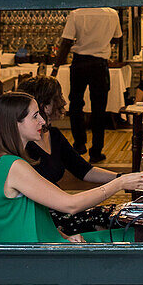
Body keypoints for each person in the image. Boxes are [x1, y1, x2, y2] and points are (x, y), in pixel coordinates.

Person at [0, 93, 143, 244]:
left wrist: (63, 236)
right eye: (35, 116)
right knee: (137, 235)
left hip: (32, 249)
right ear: (14, 124)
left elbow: (24, 218)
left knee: (132, 233)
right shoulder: (13, 166)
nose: (41, 120)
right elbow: (70, 205)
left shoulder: (1, 161)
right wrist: (120, 183)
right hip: (30, 258)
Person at [19, 74, 120, 234]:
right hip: (46, 218)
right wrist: (120, 184)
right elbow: (69, 204)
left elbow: (83, 170)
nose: (63, 102)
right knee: (117, 218)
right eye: (57, 97)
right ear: (45, 105)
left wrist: (121, 178)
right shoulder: (23, 146)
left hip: (58, 208)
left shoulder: (53, 135)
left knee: (119, 214)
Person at [51, 6, 122, 163]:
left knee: (76, 104)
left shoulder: (76, 14)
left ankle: (79, 144)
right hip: (100, 64)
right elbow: (117, 38)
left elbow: (66, 42)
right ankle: (96, 151)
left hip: (80, 63)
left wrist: (56, 67)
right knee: (99, 108)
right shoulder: (112, 14)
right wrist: (101, 40)